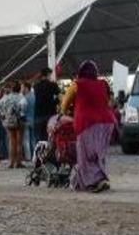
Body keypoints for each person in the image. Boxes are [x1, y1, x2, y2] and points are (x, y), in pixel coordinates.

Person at [63, 60, 117, 192]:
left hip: (86, 123)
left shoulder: (76, 85)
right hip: (107, 122)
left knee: (85, 155)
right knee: (99, 153)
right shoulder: (103, 84)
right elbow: (110, 102)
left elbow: (65, 104)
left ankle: (92, 182)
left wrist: (64, 113)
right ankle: (101, 178)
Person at [0, 82, 27, 168]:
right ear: (19, 88)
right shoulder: (21, 97)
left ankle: (11, 162)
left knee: (11, 142)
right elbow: (23, 108)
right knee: (19, 142)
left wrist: (3, 114)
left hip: (9, 121)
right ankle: (18, 162)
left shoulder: (6, 97)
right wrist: (21, 114)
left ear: (12, 89)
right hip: (19, 121)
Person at [33, 68, 61, 143]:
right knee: (51, 138)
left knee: (40, 140)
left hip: (38, 115)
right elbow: (60, 97)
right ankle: (50, 154)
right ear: (48, 74)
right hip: (50, 114)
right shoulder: (53, 85)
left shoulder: (36, 86)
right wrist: (56, 102)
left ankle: (40, 153)